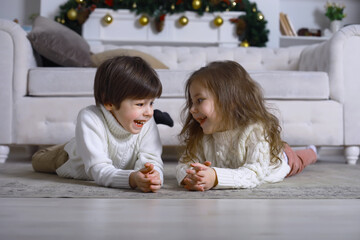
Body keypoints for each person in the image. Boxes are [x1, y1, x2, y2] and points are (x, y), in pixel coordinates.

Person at [176, 60, 317, 191]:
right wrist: (190, 176)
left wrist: (216, 177)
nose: (192, 109)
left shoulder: (255, 130)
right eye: (192, 103)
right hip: (266, 150)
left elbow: (254, 174)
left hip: (280, 158)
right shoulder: (202, 135)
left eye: (199, 100)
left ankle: (312, 151)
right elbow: (184, 164)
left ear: (231, 102)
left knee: (299, 160)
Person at [32, 56, 166, 193]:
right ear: (109, 102)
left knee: (92, 143)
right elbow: (99, 169)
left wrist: (153, 176)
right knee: (37, 161)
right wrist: (131, 178)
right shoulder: (90, 117)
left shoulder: (147, 121)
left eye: (151, 103)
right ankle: (74, 145)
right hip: (68, 157)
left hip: (98, 145)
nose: (149, 112)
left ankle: (82, 142)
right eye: (140, 104)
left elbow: (152, 160)